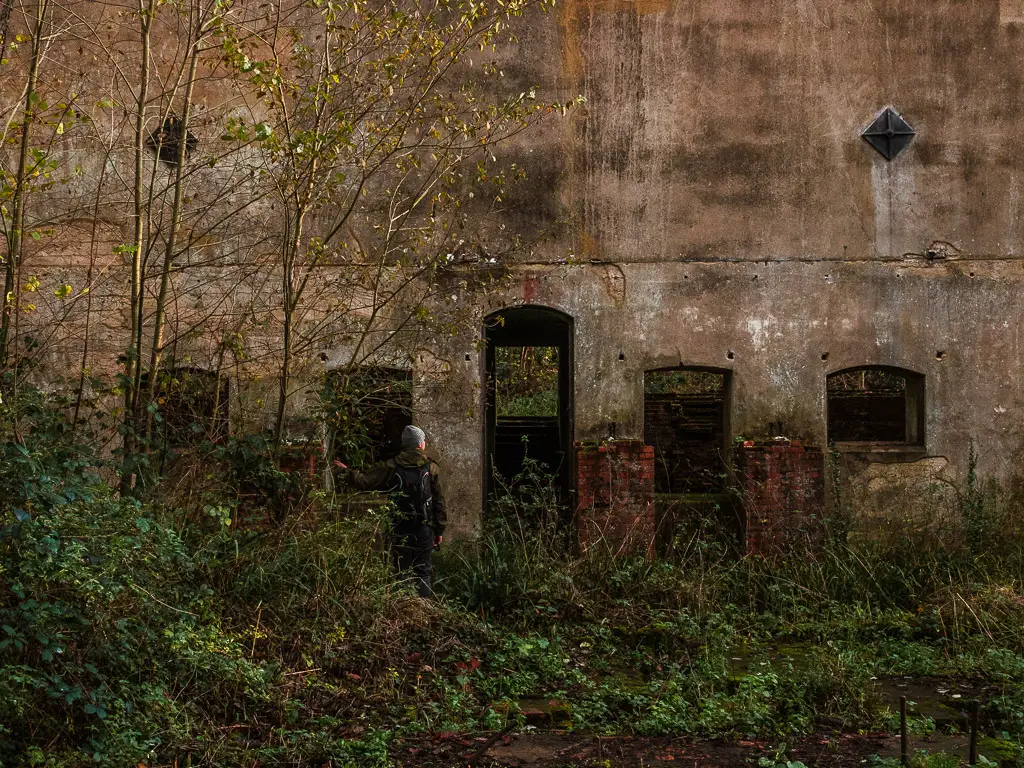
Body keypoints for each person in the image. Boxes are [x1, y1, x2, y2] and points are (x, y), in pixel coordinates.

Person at [334, 425, 447, 597]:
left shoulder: (392, 466)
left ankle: (399, 612)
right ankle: (425, 613)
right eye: (423, 440)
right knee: (423, 573)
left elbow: (365, 482)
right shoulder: (431, 468)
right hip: (424, 528)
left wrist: (346, 471)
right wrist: (439, 530)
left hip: (399, 528)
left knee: (399, 573)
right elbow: (439, 501)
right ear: (419, 444)